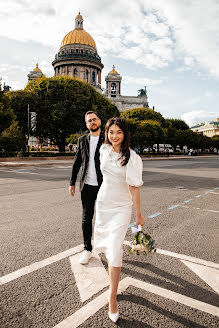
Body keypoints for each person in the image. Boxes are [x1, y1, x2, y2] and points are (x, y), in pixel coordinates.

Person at [94, 117, 145, 323]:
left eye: (119, 132)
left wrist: (138, 213)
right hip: (104, 203)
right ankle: (114, 284)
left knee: (115, 249)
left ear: (125, 134)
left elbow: (134, 187)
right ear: (107, 133)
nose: (114, 136)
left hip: (122, 208)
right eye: (111, 132)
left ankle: (112, 297)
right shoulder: (103, 150)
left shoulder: (132, 158)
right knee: (108, 247)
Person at [69, 111, 104, 264]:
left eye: (94, 119)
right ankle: (87, 249)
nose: (92, 122)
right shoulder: (82, 140)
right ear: (86, 124)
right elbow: (77, 162)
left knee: (105, 218)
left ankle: (106, 247)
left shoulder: (108, 139)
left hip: (105, 186)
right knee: (86, 218)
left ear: (100, 121)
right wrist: (72, 183)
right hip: (87, 185)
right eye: (89, 121)